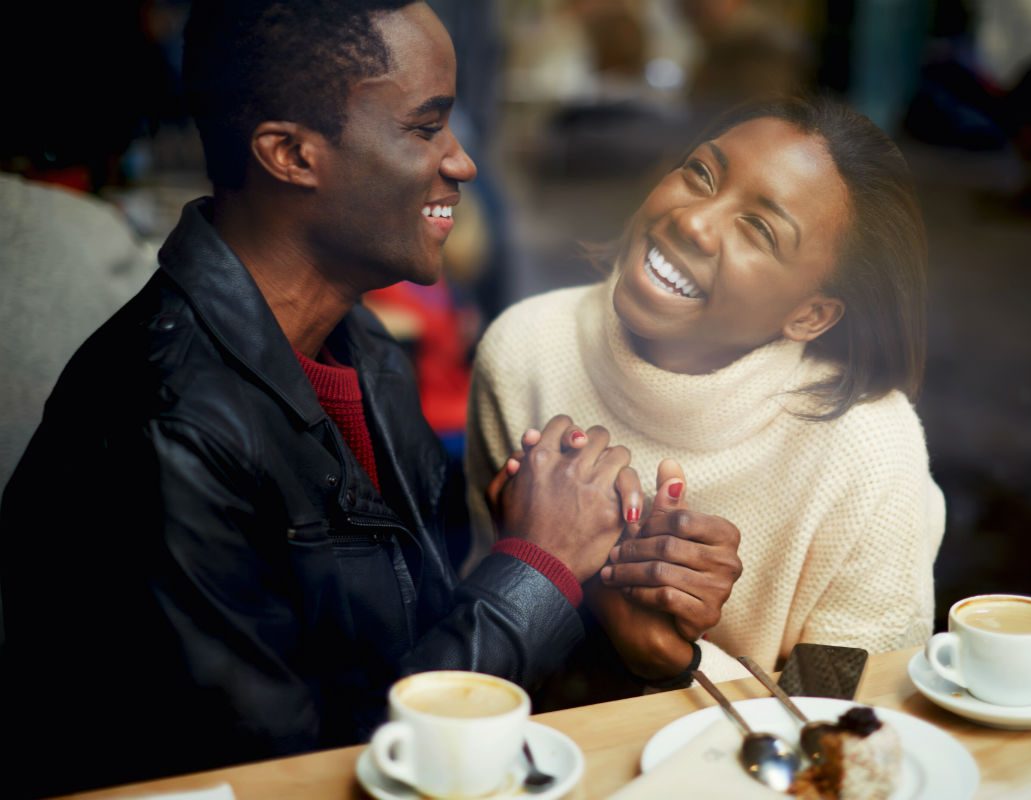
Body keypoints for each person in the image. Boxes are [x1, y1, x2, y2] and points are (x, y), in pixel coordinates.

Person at [0, 2, 736, 796]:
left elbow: (405, 665)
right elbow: (297, 777)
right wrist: (536, 567)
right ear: (290, 153)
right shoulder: (161, 431)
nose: (462, 163)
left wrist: (599, 614)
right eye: (426, 128)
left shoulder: (364, 349)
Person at [467, 96, 946, 685]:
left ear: (811, 315)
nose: (693, 220)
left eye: (760, 231)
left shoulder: (868, 449)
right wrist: (551, 571)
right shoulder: (527, 350)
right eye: (701, 174)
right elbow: (482, 654)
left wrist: (673, 659)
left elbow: (845, 717)